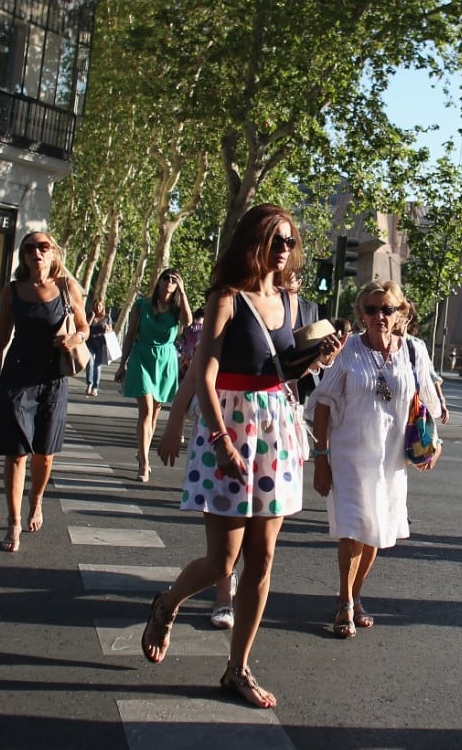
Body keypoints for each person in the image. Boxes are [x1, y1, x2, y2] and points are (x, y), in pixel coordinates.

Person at [138, 203, 342, 709]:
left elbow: (282, 371)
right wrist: (219, 439)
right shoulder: (226, 298)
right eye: (276, 240)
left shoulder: (291, 302)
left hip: (274, 431)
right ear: (253, 241)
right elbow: (205, 375)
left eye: (290, 241)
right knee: (222, 561)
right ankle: (167, 604)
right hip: (229, 428)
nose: (285, 250)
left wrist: (317, 358)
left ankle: (238, 668)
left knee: (263, 559)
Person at [310, 281, 444, 638]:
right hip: (350, 456)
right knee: (353, 529)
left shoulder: (413, 350)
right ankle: (344, 602)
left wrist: (434, 444)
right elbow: (322, 404)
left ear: (400, 313)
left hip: (391, 461)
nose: (379, 316)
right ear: (361, 314)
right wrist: (321, 458)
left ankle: (355, 595)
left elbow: (427, 404)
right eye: (371, 310)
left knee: (377, 532)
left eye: (387, 309)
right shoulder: (349, 350)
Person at [0, 232, 88, 553]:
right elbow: (1, 336)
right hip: (17, 377)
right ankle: (13, 522)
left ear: (54, 253)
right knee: (15, 453)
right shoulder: (12, 290)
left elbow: (84, 327)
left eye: (43, 247)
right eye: (29, 248)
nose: (36, 253)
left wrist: (74, 339)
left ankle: (36, 499)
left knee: (44, 454)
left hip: (53, 379)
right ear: (23, 256)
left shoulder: (67, 287)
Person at [116, 270, 190, 482]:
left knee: (155, 413)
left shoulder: (176, 309)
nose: (169, 282)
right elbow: (130, 334)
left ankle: (143, 450)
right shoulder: (142, 305)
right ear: (159, 281)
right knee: (146, 410)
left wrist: (183, 293)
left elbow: (187, 321)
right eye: (166, 278)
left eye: (174, 280)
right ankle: (144, 462)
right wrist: (122, 365)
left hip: (165, 361)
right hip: (142, 356)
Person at [85, 299, 112, 396]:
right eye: (96, 306)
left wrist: (108, 328)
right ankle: (89, 384)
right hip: (90, 343)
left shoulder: (107, 317)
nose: (98, 308)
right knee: (90, 363)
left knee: (97, 366)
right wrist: (92, 317)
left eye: (100, 306)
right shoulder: (89, 315)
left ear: (103, 307)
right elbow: (85, 327)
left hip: (101, 344)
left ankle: (95, 387)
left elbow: (111, 331)